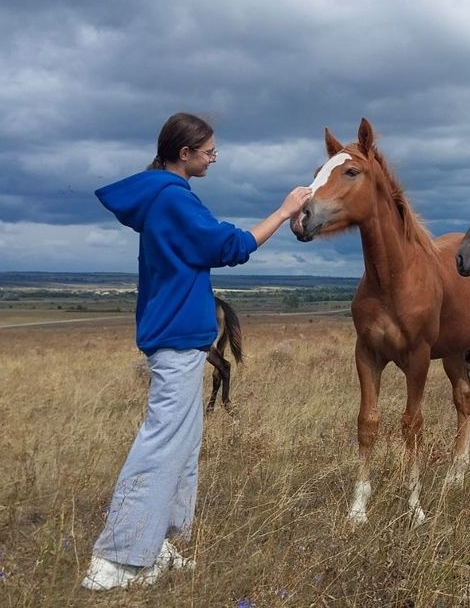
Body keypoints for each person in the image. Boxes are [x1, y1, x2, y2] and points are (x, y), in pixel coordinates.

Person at [81, 112, 312, 591]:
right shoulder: (172, 199)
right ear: (183, 153)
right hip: (176, 339)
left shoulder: (162, 197)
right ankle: (115, 560)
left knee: (183, 444)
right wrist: (284, 209)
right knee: (163, 441)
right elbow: (231, 245)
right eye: (208, 152)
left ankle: (156, 544)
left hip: (178, 337)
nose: (213, 158)